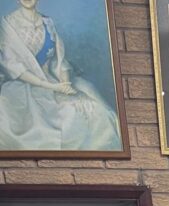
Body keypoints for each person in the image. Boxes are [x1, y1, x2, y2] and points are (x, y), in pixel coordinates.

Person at [0, 0, 122, 152]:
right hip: (24, 86)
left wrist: (65, 85)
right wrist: (51, 87)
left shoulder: (48, 22)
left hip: (55, 80)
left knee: (97, 110)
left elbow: (59, 60)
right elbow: (13, 66)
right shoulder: (8, 24)